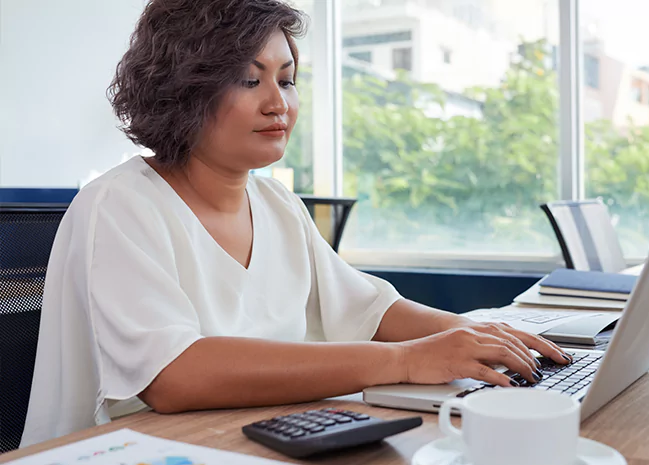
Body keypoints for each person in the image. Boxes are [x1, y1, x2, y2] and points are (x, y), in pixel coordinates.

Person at [22, 0, 571, 446]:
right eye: (247, 80)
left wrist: (470, 333)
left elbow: (370, 310)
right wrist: (405, 361)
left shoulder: (278, 205)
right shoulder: (119, 206)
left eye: (286, 80)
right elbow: (175, 376)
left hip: (241, 440)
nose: (277, 103)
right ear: (183, 89)